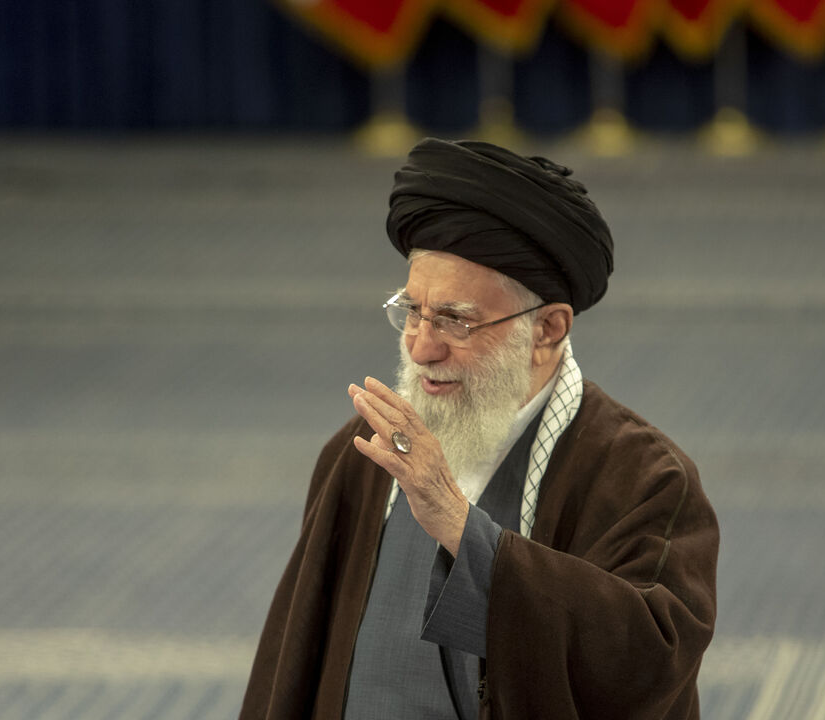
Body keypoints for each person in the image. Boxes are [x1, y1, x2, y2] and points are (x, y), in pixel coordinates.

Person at [240, 138, 718, 720]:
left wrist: (468, 536)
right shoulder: (361, 453)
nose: (420, 346)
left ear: (547, 329)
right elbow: (295, 667)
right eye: (412, 310)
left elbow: (648, 661)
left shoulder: (644, 478)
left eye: (455, 321)